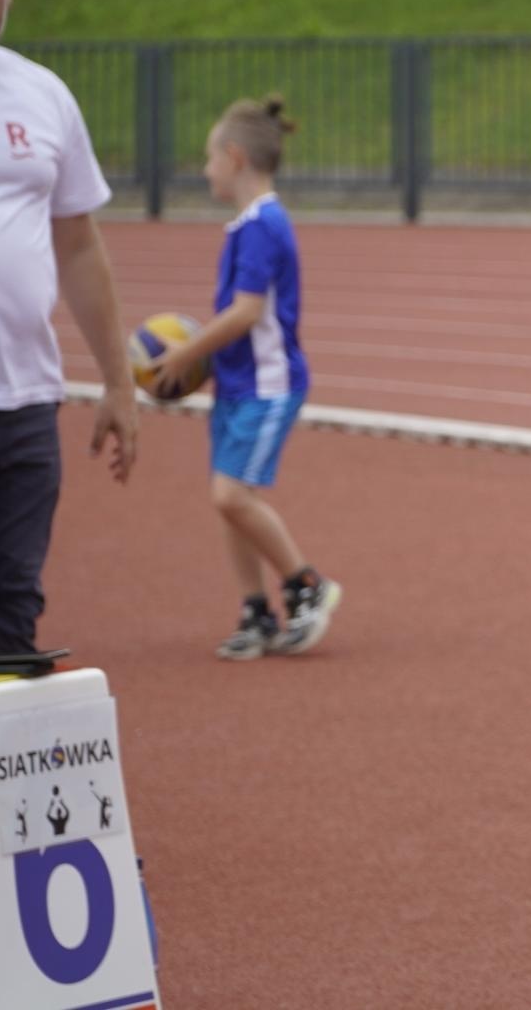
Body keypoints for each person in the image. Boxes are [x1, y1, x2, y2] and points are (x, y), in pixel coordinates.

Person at [0, 0, 139, 657]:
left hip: (27, 402)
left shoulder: (44, 95)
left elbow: (80, 247)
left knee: (11, 618)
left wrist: (119, 383)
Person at [150, 96, 341, 660]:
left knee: (231, 494)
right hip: (238, 385)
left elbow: (245, 313)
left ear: (234, 158)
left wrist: (183, 355)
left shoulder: (263, 224)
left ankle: (306, 584)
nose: (204, 170)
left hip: (268, 385)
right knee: (231, 497)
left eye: (208, 159)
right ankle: (255, 610)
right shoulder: (247, 224)